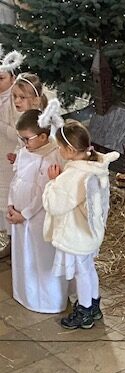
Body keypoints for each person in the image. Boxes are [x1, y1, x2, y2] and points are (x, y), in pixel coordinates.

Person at [42, 120, 118, 329]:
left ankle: (84, 312)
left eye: (59, 147)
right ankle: (93, 305)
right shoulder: (94, 167)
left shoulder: (73, 176)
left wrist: (52, 182)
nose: (58, 151)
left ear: (70, 150)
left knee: (81, 272)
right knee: (88, 268)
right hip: (90, 232)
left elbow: (54, 205)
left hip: (76, 234)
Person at [7, 105, 67, 313]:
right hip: (18, 215)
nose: (24, 144)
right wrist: (10, 204)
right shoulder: (25, 152)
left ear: (43, 137)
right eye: (22, 139)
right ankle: (26, 294)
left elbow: (43, 193)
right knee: (24, 256)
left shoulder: (51, 157)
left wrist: (24, 215)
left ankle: (47, 300)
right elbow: (16, 179)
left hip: (37, 218)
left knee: (40, 257)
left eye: (27, 139)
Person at [0, 50, 23, 258]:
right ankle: (9, 240)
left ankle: (14, 242)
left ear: (12, 78)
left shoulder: (14, 101)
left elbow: (19, 133)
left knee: (10, 198)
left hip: (9, 157)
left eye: (1, 78)